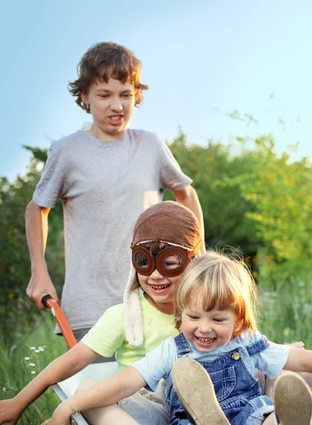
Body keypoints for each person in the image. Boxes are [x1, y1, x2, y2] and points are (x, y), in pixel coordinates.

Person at [34, 252, 312, 425]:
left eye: (218, 319)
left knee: (262, 418)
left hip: (247, 414)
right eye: (193, 317)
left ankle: (289, 423)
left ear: (238, 320)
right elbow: (125, 383)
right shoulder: (171, 351)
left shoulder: (249, 341)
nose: (204, 328)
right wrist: (71, 403)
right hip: (194, 424)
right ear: (180, 314)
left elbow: (306, 359)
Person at [25, 41, 204, 339]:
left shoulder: (150, 146)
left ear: (137, 96)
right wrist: (39, 271)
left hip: (153, 298)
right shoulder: (67, 151)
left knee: (161, 382)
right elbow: (37, 209)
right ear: (85, 96)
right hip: (89, 305)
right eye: (104, 95)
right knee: (100, 385)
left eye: (126, 95)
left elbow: (186, 195)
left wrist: (199, 254)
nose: (117, 105)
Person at [0, 202, 201, 425]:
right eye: (143, 262)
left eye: (169, 262)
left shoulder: (207, 313)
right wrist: (19, 401)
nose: (155, 275)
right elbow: (71, 362)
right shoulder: (123, 316)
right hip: (146, 417)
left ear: (193, 262)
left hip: (199, 409)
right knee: (86, 392)